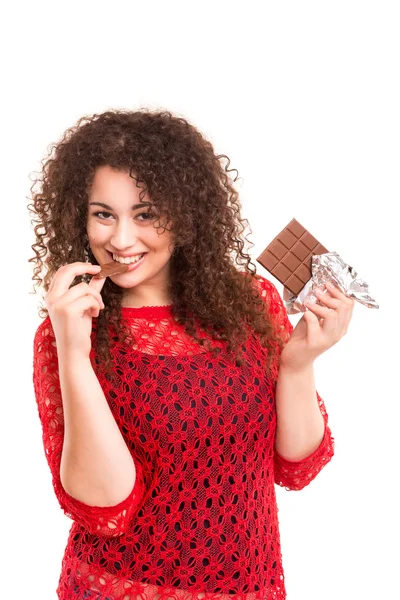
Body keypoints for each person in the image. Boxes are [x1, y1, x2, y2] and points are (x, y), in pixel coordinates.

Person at [29, 109, 354, 600]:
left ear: (185, 213)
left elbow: (296, 464)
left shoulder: (252, 303)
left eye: (145, 213)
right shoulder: (69, 331)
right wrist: (75, 352)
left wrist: (297, 363)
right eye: (103, 214)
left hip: (251, 587)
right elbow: (106, 507)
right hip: (120, 588)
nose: (119, 240)